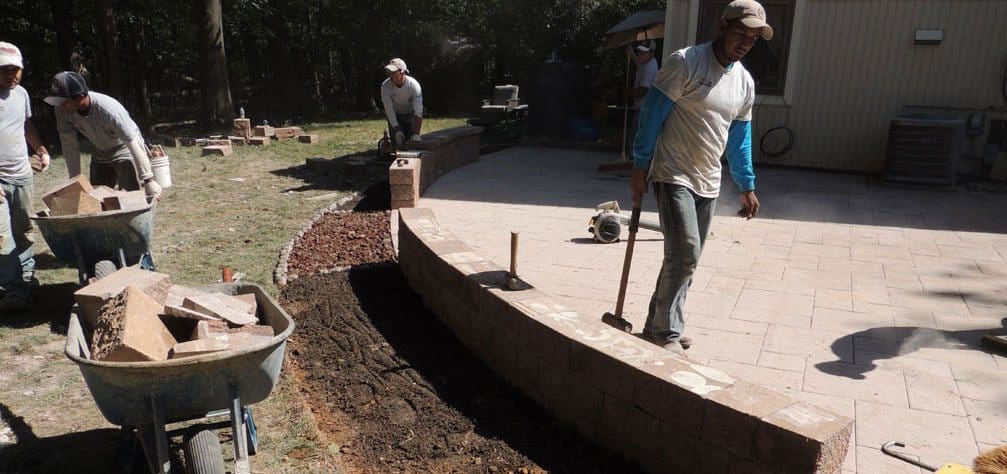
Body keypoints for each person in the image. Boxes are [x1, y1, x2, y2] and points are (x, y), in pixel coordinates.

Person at [631, 0, 769, 353]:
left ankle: (658, 323)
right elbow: (651, 116)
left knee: (680, 258)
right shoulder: (685, 62)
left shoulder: (744, 83)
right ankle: (667, 333)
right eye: (741, 33)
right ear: (723, 25)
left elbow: (739, 138)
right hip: (672, 173)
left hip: (708, 180)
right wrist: (640, 165)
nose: (745, 43)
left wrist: (746, 184)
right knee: (687, 253)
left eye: (753, 40)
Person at [44, 71, 162, 198]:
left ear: (80, 96)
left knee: (132, 197)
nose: (60, 105)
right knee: (97, 198)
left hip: (124, 148)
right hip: (101, 152)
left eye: (64, 101)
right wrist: (75, 179)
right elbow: (69, 144)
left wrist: (148, 179)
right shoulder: (62, 111)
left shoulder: (109, 110)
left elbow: (133, 142)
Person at [0, 42, 49, 311]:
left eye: (16, 70)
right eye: (6, 70)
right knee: (2, 235)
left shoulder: (22, 94)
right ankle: (13, 290)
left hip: (22, 175)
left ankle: (26, 278)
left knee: (24, 231)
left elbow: (26, 124)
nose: (12, 76)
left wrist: (39, 148)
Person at [624, 39, 659, 158]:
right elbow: (638, 62)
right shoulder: (644, 62)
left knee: (636, 132)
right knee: (637, 132)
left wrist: (628, 93)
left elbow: (643, 89)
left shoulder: (650, 67)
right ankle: (634, 158)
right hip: (641, 106)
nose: (641, 54)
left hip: (645, 107)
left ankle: (633, 159)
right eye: (640, 52)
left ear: (652, 53)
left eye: (644, 52)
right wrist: (631, 53)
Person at [380, 58, 423, 146]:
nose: (390, 75)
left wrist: (416, 134)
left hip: (410, 115)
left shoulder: (414, 86)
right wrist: (396, 128)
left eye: (393, 73)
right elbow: (388, 109)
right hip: (395, 115)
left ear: (402, 72)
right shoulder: (385, 86)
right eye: (389, 73)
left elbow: (418, 111)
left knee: (410, 143)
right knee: (397, 144)